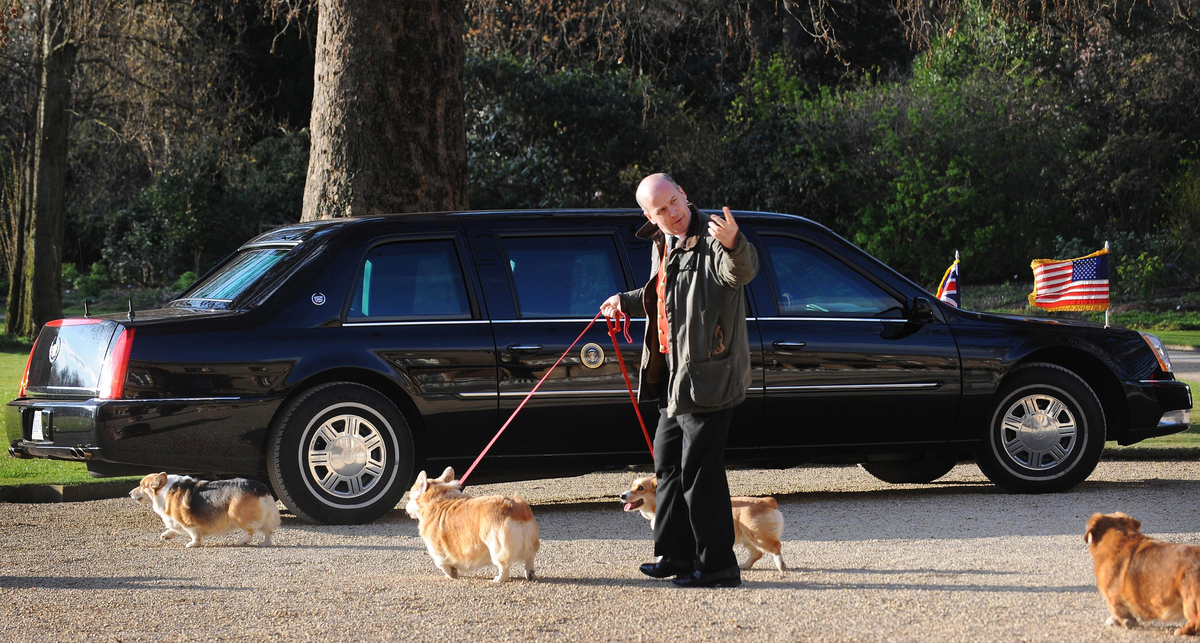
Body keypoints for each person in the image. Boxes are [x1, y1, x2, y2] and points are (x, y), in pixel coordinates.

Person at [600, 173, 759, 588]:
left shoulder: (712, 239)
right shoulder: (662, 241)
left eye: (674, 201)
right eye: (661, 209)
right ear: (648, 215)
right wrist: (624, 301)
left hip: (709, 378)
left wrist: (734, 243)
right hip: (672, 376)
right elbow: (664, 293)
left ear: (684, 194)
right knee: (666, 466)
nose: (672, 213)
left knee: (699, 473)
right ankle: (676, 555)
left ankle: (719, 566)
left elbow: (740, 271)